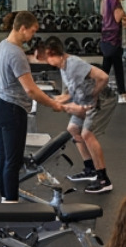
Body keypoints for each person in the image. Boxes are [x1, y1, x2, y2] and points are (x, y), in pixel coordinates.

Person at [0, 12, 64, 203]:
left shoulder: (3, 46)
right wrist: (53, 104)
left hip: (0, 105)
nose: (33, 35)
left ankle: (4, 199)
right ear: (23, 28)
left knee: (4, 159)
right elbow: (31, 90)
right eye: (32, 31)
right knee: (12, 162)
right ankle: (11, 205)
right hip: (13, 110)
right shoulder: (16, 53)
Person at [35, 38, 116, 194]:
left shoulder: (73, 64)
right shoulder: (62, 67)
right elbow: (67, 94)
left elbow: (103, 77)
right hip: (83, 100)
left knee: (87, 133)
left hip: (103, 99)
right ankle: (90, 170)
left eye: (46, 57)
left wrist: (94, 94)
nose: (46, 61)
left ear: (53, 54)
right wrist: (50, 101)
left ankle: (104, 180)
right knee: (73, 129)